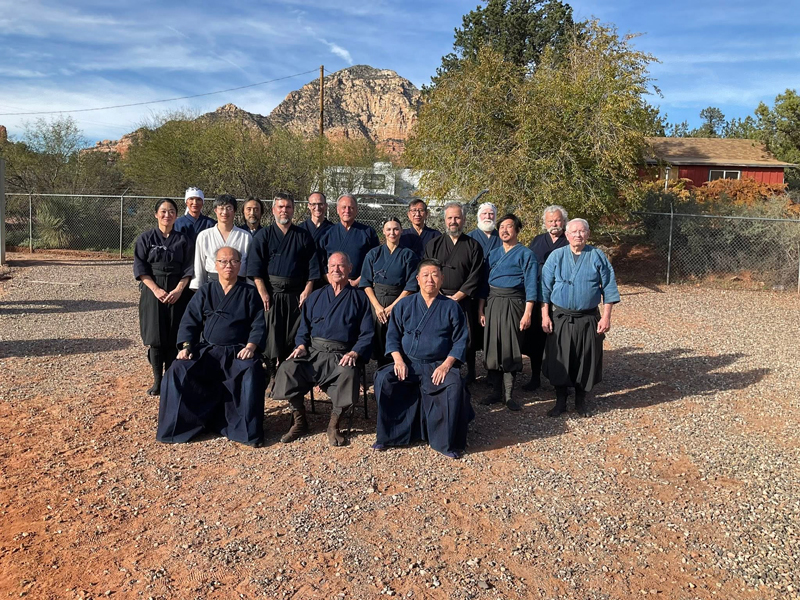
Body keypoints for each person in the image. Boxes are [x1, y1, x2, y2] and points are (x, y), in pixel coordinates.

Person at [156, 247, 267, 446]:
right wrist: (186, 346)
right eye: (223, 261)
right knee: (177, 370)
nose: (228, 266)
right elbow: (190, 321)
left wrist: (251, 346)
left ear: (240, 265)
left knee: (252, 370)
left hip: (237, 351)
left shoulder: (250, 292)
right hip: (208, 350)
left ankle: (245, 431)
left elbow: (259, 323)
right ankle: (180, 427)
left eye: (233, 261)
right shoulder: (206, 291)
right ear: (215, 265)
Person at [373, 258, 473, 458]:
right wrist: (398, 360)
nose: (430, 279)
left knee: (453, 384)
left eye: (435, 275)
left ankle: (445, 442)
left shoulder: (451, 307)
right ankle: (391, 436)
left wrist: (446, 365)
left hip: (437, 364)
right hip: (408, 363)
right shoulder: (404, 305)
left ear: (442, 279)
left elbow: (461, 341)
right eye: (425, 275)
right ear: (417, 279)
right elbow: (392, 336)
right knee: (384, 379)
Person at [272, 252, 373, 447]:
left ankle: (334, 424)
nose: (336, 269)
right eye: (333, 266)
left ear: (350, 269)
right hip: (314, 353)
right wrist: (301, 345)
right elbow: (303, 329)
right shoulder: (316, 296)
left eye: (341, 266)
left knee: (349, 373)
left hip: (342, 354)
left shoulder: (359, 299)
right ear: (327, 270)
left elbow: (367, 334)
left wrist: (354, 352)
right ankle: (300, 421)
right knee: (288, 367)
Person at [541, 218, 620, 417]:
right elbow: (544, 289)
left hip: (588, 318)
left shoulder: (597, 255)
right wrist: (545, 316)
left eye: (582, 231)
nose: (578, 235)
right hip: (561, 317)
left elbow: (609, 287)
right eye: (574, 231)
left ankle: (580, 401)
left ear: (588, 234)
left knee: (584, 359)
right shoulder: (556, 256)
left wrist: (606, 317)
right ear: (566, 235)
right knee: (561, 358)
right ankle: (560, 401)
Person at [247, 193, 320, 379]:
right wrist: (263, 292)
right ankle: (270, 369)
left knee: (293, 333)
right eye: (280, 207)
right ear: (273, 210)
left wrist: (307, 290)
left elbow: (312, 268)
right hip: (271, 292)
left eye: (288, 207)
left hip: (296, 293)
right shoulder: (264, 235)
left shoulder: (303, 236)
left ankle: (288, 372)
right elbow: (255, 268)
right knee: (271, 332)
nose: (284, 210)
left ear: (293, 210)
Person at [133, 198, 194, 395]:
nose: (167, 215)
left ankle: (171, 379)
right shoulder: (145, 238)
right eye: (163, 211)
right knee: (156, 337)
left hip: (178, 291)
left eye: (171, 212)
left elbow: (189, 268)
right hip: (153, 293)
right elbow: (141, 268)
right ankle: (157, 381)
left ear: (176, 215)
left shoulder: (184, 240)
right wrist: (156, 289)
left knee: (174, 335)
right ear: (156, 214)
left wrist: (178, 289)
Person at [478, 214, 538, 411]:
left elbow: (531, 286)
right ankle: (496, 392)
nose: (504, 230)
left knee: (510, 346)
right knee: (493, 346)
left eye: (509, 226)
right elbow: (483, 286)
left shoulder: (526, 254)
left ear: (517, 230)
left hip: (514, 303)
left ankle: (509, 395)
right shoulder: (493, 254)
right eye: (501, 226)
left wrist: (528, 312)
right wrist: (481, 308)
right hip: (493, 303)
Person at [424, 202, 485, 383]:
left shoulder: (473, 245)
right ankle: (442, 369)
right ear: (444, 220)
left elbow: (476, 274)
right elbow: (427, 271)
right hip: (439, 299)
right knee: (441, 335)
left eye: (457, 217)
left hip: (463, 299)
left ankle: (471, 372)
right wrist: (439, 295)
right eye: (450, 218)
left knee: (467, 336)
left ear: (464, 219)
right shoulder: (434, 244)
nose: (453, 221)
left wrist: (458, 296)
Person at [360, 217, 419, 366]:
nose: (392, 232)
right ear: (384, 232)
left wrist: (393, 307)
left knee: (397, 336)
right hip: (377, 301)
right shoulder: (373, 254)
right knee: (378, 338)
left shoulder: (408, 255)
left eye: (396, 229)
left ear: (401, 231)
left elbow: (411, 285)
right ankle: (381, 368)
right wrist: (378, 307)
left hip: (400, 301)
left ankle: (399, 368)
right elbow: (366, 282)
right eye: (389, 229)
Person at [524, 205, 569, 391]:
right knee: (536, 339)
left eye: (557, 220)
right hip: (538, 295)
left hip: (561, 299)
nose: (554, 224)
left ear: (564, 221)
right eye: (550, 221)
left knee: (560, 340)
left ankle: (563, 380)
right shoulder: (537, 241)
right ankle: (535, 377)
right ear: (545, 223)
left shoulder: (570, 240)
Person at [190, 194, 252, 290]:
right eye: (221, 208)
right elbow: (199, 265)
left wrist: (251, 288)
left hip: (239, 285)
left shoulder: (245, 236)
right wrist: (198, 288)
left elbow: (249, 266)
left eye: (229, 208)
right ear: (215, 210)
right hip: (212, 284)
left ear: (234, 211)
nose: (225, 212)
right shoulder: (204, 236)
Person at [318, 194, 379, 286]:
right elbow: (320, 262)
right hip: (331, 285)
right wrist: (331, 280)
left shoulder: (367, 233)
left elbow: (375, 261)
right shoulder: (327, 233)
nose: (347, 211)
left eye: (351, 207)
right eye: (344, 207)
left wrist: (357, 281)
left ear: (356, 210)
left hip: (359, 285)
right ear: (338, 210)